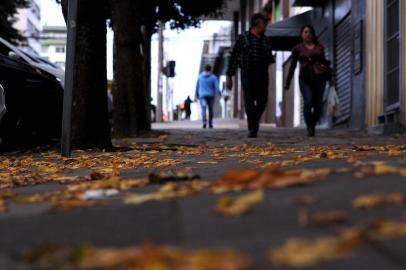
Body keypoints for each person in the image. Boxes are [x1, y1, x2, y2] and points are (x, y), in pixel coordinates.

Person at [226, 13, 275, 138]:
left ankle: (254, 121)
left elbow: (270, 58)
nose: (266, 25)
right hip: (248, 73)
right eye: (264, 22)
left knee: (262, 101)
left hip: (263, 73)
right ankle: (253, 128)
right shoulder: (243, 37)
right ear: (257, 24)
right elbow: (234, 57)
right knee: (249, 100)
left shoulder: (265, 39)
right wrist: (229, 76)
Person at [284, 25, 333, 137]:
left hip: (319, 79)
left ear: (313, 34)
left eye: (310, 32)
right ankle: (309, 127)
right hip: (305, 79)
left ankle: (312, 123)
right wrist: (287, 82)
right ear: (301, 34)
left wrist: (330, 79)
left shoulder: (319, 47)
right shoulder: (297, 48)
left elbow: (324, 64)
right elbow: (292, 66)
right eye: (305, 32)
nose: (308, 34)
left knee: (318, 105)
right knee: (308, 102)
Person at [195, 64, 220, 128]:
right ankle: (210, 123)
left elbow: (197, 86)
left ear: (204, 69)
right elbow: (217, 86)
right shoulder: (213, 77)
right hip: (211, 95)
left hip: (202, 96)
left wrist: (196, 94)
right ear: (210, 69)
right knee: (210, 109)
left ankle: (204, 122)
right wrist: (219, 93)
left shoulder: (200, 76)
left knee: (203, 109)